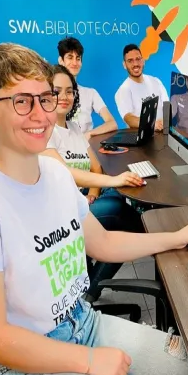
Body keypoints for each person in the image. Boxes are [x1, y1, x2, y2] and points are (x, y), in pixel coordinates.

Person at [0, 42, 188, 375]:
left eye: (45, 99)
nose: (40, 115)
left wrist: (174, 238)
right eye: (21, 101)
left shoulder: (56, 175)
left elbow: (103, 242)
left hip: (83, 325)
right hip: (20, 368)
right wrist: (89, 361)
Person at [41, 64, 145, 302]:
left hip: (84, 199)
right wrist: (112, 180)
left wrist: (94, 193)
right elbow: (65, 173)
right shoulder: (44, 131)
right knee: (124, 215)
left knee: (123, 200)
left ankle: (90, 285)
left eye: (69, 91)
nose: (64, 97)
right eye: (56, 91)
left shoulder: (74, 128)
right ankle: (90, 292)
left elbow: (95, 166)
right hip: (63, 210)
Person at [58, 37, 118, 139]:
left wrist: (89, 134)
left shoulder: (90, 93)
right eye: (70, 57)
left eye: (78, 58)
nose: (74, 63)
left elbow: (112, 123)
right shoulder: (51, 93)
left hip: (87, 146)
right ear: (61, 60)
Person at [114, 44, 169, 131]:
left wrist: (166, 120)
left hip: (163, 132)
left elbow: (167, 106)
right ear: (124, 65)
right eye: (130, 61)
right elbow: (128, 118)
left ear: (143, 61)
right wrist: (151, 124)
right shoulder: (123, 90)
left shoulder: (156, 81)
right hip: (141, 136)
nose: (135, 64)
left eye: (138, 59)